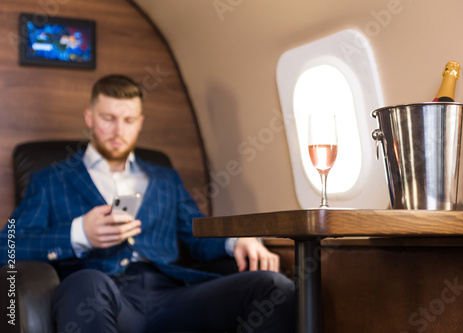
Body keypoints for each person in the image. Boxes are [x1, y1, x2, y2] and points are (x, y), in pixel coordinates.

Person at [0, 75, 295, 332]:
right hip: (103, 295)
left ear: (140, 123)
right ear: (89, 117)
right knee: (87, 283)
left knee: (272, 286)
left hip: (172, 296)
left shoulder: (165, 178)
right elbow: (7, 247)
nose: (119, 131)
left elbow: (196, 233)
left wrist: (236, 240)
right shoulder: (51, 180)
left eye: (128, 120)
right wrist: (79, 234)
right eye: (108, 119)